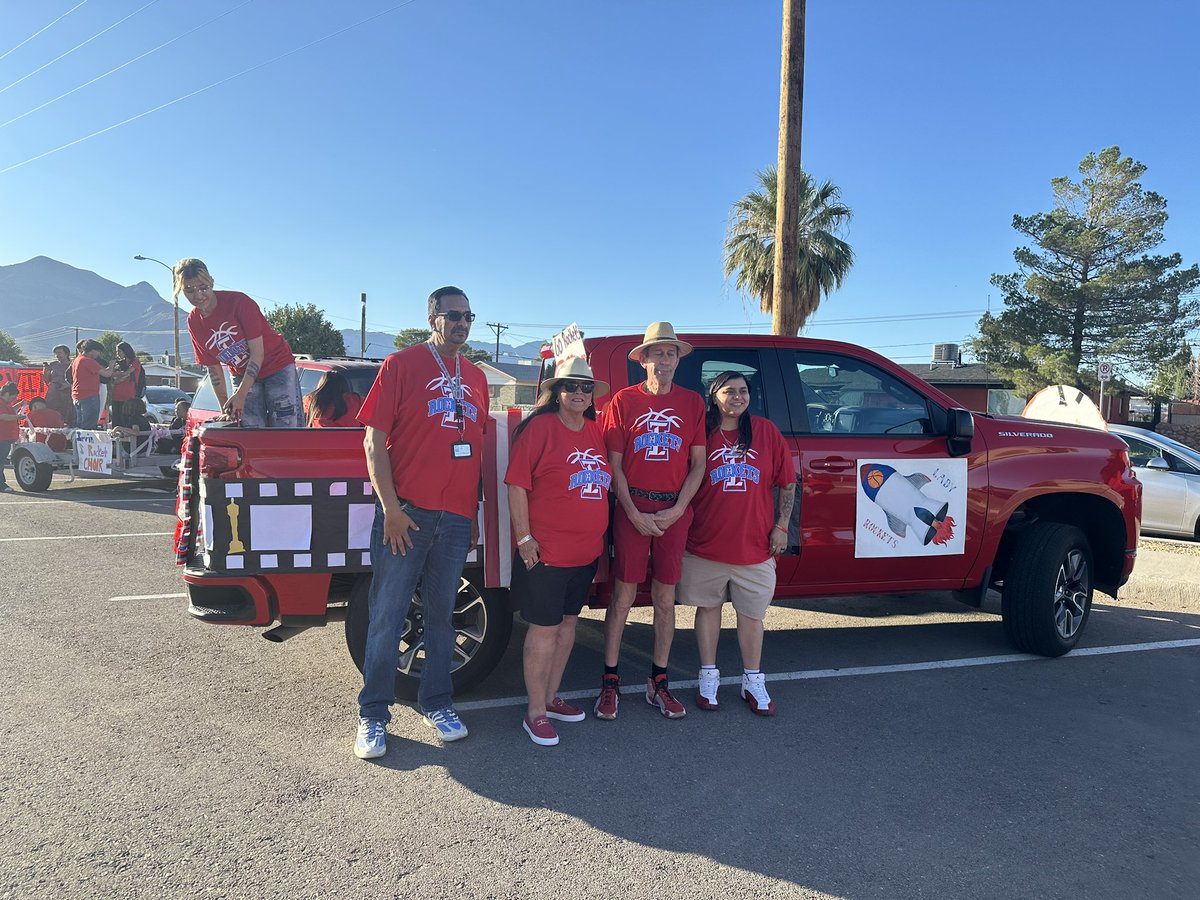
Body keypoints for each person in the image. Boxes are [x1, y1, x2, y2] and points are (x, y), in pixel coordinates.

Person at [352, 285, 489, 760]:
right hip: (406, 513)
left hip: (453, 519)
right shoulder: (402, 365)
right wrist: (390, 508)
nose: (462, 323)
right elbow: (374, 442)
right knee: (387, 616)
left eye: (468, 316)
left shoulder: (475, 376)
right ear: (432, 318)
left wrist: (470, 512)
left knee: (441, 617)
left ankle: (437, 703)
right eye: (453, 315)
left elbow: (473, 450)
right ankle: (373, 715)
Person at [597, 322, 706, 720]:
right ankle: (610, 681)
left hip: (674, 511)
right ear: (643, 360)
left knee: (664, 598)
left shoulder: (692, 403)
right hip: (634, 510)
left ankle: (658, 681)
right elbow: (615, 466)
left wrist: (678, 509)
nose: (664, 360)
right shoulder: (623, 402)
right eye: (657, 353)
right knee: (622, 597)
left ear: (678, 360)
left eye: (670, 353)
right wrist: (631, 512)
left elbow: (698, 465)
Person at [505, 357, 611, 746]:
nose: (579, 393)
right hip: (545, 551)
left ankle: (550, 698)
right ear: (556, 391)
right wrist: (523, 538)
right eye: (571, 387)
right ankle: (534, 712)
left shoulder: (594, 431)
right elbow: (516, 485)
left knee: (568, 627)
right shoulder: (539, 428)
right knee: (544, 629)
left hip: (585, 552)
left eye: (585, 388)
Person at [678, 371, 797, 716]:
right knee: (708, 609)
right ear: (714, 396)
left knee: (752, 616)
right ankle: (708, 674)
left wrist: (782, 526)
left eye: (743, 391)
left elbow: (787, 483)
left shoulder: (765, 431)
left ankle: (752, 678)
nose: (737, 397)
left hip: (755, 546)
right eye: (729, 391)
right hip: (705, 543)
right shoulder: (701, 433)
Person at [174, 258, 302, 426]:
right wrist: (224, 408)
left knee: (284, 423)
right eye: (189, 290)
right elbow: (214, 369)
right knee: (250, 425)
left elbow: (257, 354)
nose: (198, 295)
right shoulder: (194, 322)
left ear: (211, 282)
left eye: (203, 287)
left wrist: (241, 394)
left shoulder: (239, 303)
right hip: (241, 372)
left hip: (276, 365)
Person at [71, 340, 118, 430]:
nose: (98, 354)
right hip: (89, 396)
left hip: (77, 395)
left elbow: (100, 371)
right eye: (98, 351)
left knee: (80, 424)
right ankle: (87, 444)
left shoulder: (77, 360)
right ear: (92, 350)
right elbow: (106, 374)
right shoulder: (88, 361)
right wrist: (111, 365)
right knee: (89, 424)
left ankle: (78, 443)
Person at [108, 342, 145, 428]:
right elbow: (113, 379)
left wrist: (118, 375)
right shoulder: (118, 364)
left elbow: (127, 373)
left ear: (126, 351)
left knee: (127, 421)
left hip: (129, 396)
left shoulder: (135, 362)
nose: (118, 354)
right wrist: (115, 373)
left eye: (119, 351)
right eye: (117, 352)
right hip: (116, 395)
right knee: (116, 421)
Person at [42, 345, 74, 426]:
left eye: (60, 353)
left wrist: (68, 385)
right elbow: (46, 380)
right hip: (53, 392)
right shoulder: (53, 365)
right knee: (51, 411)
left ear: (66, 354)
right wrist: (46, 371)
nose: (57, 355)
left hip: (66, 392)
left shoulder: (72, 365)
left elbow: (78, 379)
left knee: (66, 413)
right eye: (56, 353)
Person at [0, 382, 21, 492]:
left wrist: (20, 405)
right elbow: (2, 416)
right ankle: (1, 485)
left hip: (5, 437)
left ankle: (1, 483)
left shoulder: (4, 404)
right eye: (13, 397)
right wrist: (17, 416)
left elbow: (9, 411)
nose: (13, 400)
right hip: (2, 437)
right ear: (7, 394)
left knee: (1, 461)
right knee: (0, 462)